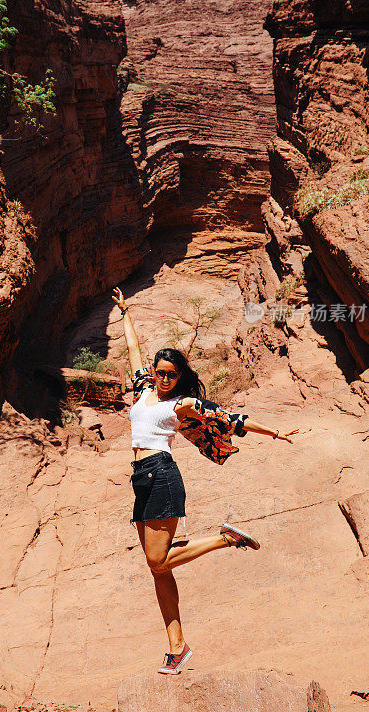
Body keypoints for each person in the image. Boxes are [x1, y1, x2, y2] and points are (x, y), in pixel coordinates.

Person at [112, 286, 298, 675]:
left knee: (158, 560)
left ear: (179, 377)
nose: (163, 378)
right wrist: (125, 314)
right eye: (160, 372)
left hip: (162, 474)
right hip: (141, 480)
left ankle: (226, 538)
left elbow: (231, 417)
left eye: (171, 374)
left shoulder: (181, 404)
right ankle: (177, 648)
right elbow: (133, 355)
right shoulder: (144, 389)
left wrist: (275, 433)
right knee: (158, 569)